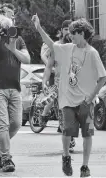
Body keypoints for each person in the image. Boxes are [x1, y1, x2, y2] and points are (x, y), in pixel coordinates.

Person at [32, 15, 106, 177]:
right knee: (67, 131)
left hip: (86, 102)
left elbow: (103, 78)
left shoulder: (92, 53)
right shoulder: (68, 48)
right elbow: (50, 44)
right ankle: (66, 156)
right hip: (67, 99)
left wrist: (91, 96)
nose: (70, 35)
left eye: (73, 33)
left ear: (81, 33)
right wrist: (38, 27)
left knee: (87, 134)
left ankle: (85, 167)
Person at [0, 3, 30, 172]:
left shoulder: (17, 37)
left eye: (13, 15)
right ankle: (6, 158)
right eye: (9, 15)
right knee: (2, 124)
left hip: (14, 86)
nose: (12, 18)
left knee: (16, 123)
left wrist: (14, 49)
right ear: (1, 17)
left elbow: (27, 59)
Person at [39, 20, 76, 153]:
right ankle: (69, 137)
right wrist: (44, 82)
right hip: (59, 85)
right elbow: (49, 66)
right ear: (62, 31)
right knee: (62, 113)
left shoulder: (78, 46)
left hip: (74, 87)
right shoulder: (56, 47)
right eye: (66, 29)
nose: (68, 32)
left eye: (70, 29)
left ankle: (70, 133)